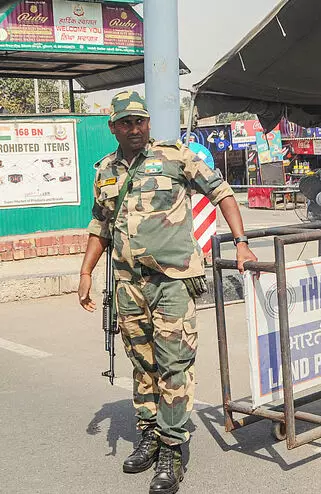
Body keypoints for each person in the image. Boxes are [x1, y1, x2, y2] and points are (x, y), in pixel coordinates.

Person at [77, 91, 257, 494]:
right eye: (126, 123)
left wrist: (241, 242)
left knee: (174, 364)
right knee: (142, 365)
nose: (135, 128)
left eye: (140, 121)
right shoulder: (105, 170)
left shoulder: (175, 157)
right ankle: (150, 436)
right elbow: (100, 224)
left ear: (148, 124)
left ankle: (172, 449)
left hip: (172, 282)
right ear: (114, 127)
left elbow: (222, 193)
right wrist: (86, 271)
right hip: (128, 284)